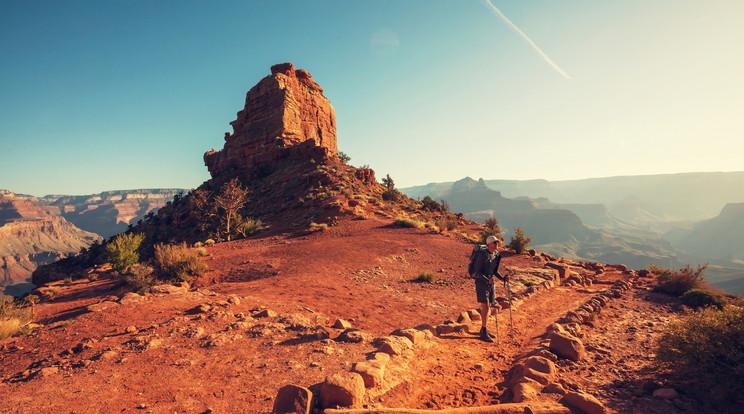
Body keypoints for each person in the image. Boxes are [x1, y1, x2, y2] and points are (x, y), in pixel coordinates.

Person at [472, 235, 509, 342]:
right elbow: (477, 272)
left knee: (488, 307)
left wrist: (502, 278)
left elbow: (494, 271)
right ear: (489, 244)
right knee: (485, 306)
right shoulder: (483, 255)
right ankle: (483, 330)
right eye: (494, 242)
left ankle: (484, 328)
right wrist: (486, 280)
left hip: (490, 282)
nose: (496, 244)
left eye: (497, 242)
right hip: (481, 283)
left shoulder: (496, 255)